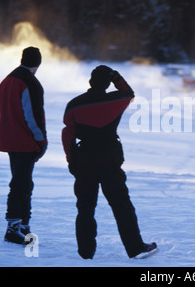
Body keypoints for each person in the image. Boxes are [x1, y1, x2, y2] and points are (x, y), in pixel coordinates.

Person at [62, 65, 158, 260]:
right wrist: (116, 76)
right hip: (110, 162)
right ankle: (136, 248)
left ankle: (85, 253)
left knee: (85, 209)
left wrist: (71, 161)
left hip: (85, 161)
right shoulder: (115, 101)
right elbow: (128, 92)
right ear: (107, 83)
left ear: (90, 82)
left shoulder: (74, 105)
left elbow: (67, 134)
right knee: (122, 206)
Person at [0, 47, 47, 244]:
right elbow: (32, 116)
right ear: (38, 63)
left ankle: (24, 225)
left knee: (25, 183)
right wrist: (41, 140)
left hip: (9, 139)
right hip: (25, 142)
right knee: (20, 184)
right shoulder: (30, 83)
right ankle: (13, 228)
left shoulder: (7, 80)